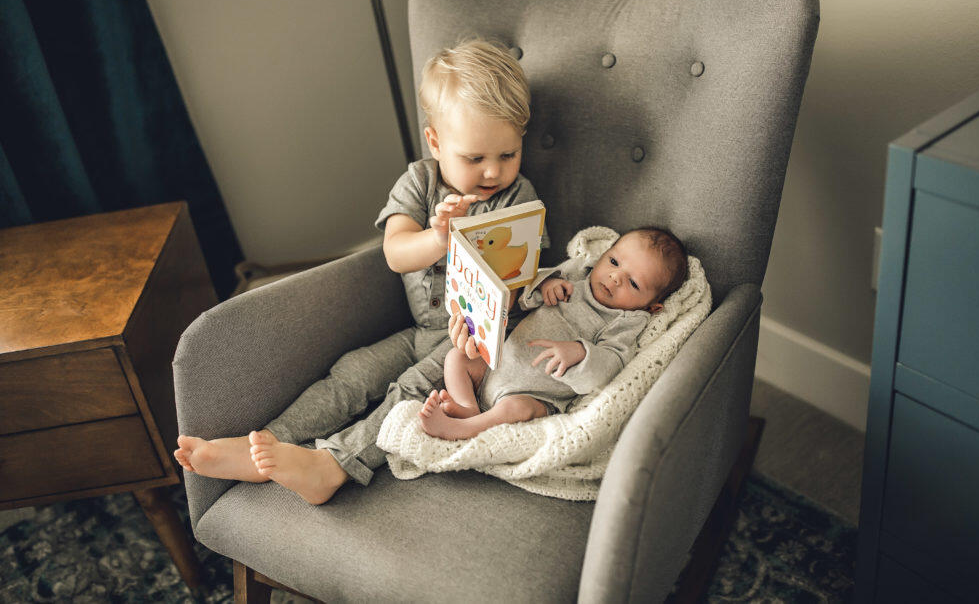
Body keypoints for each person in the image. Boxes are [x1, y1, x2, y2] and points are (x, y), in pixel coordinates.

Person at [174, 39, 547, 503]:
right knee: (354, 373)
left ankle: (333, 465)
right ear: (435, 141)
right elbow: (394, 253)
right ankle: (272, 440)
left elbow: (521, 282)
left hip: (468, 348)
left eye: (508, 155)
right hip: (418, 329)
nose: (493, 172)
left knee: (408, 391)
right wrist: (437, 239)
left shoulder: (519, 199)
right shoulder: (420, 182)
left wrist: (491, 309)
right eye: (475, 158)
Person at [418, 228, 687, 441]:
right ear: (604, 255)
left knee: (518, 410)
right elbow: (524, 295)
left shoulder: (626, 320)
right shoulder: (576, 272)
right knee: (457, 358)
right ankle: (468, 408)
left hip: (534, 394)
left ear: (652, 306)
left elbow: (612, 364)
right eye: (614, 261)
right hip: (496, 367)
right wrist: (546, 283)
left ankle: (462, 430)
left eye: (633, 282)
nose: (615, 277)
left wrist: (581, 352)